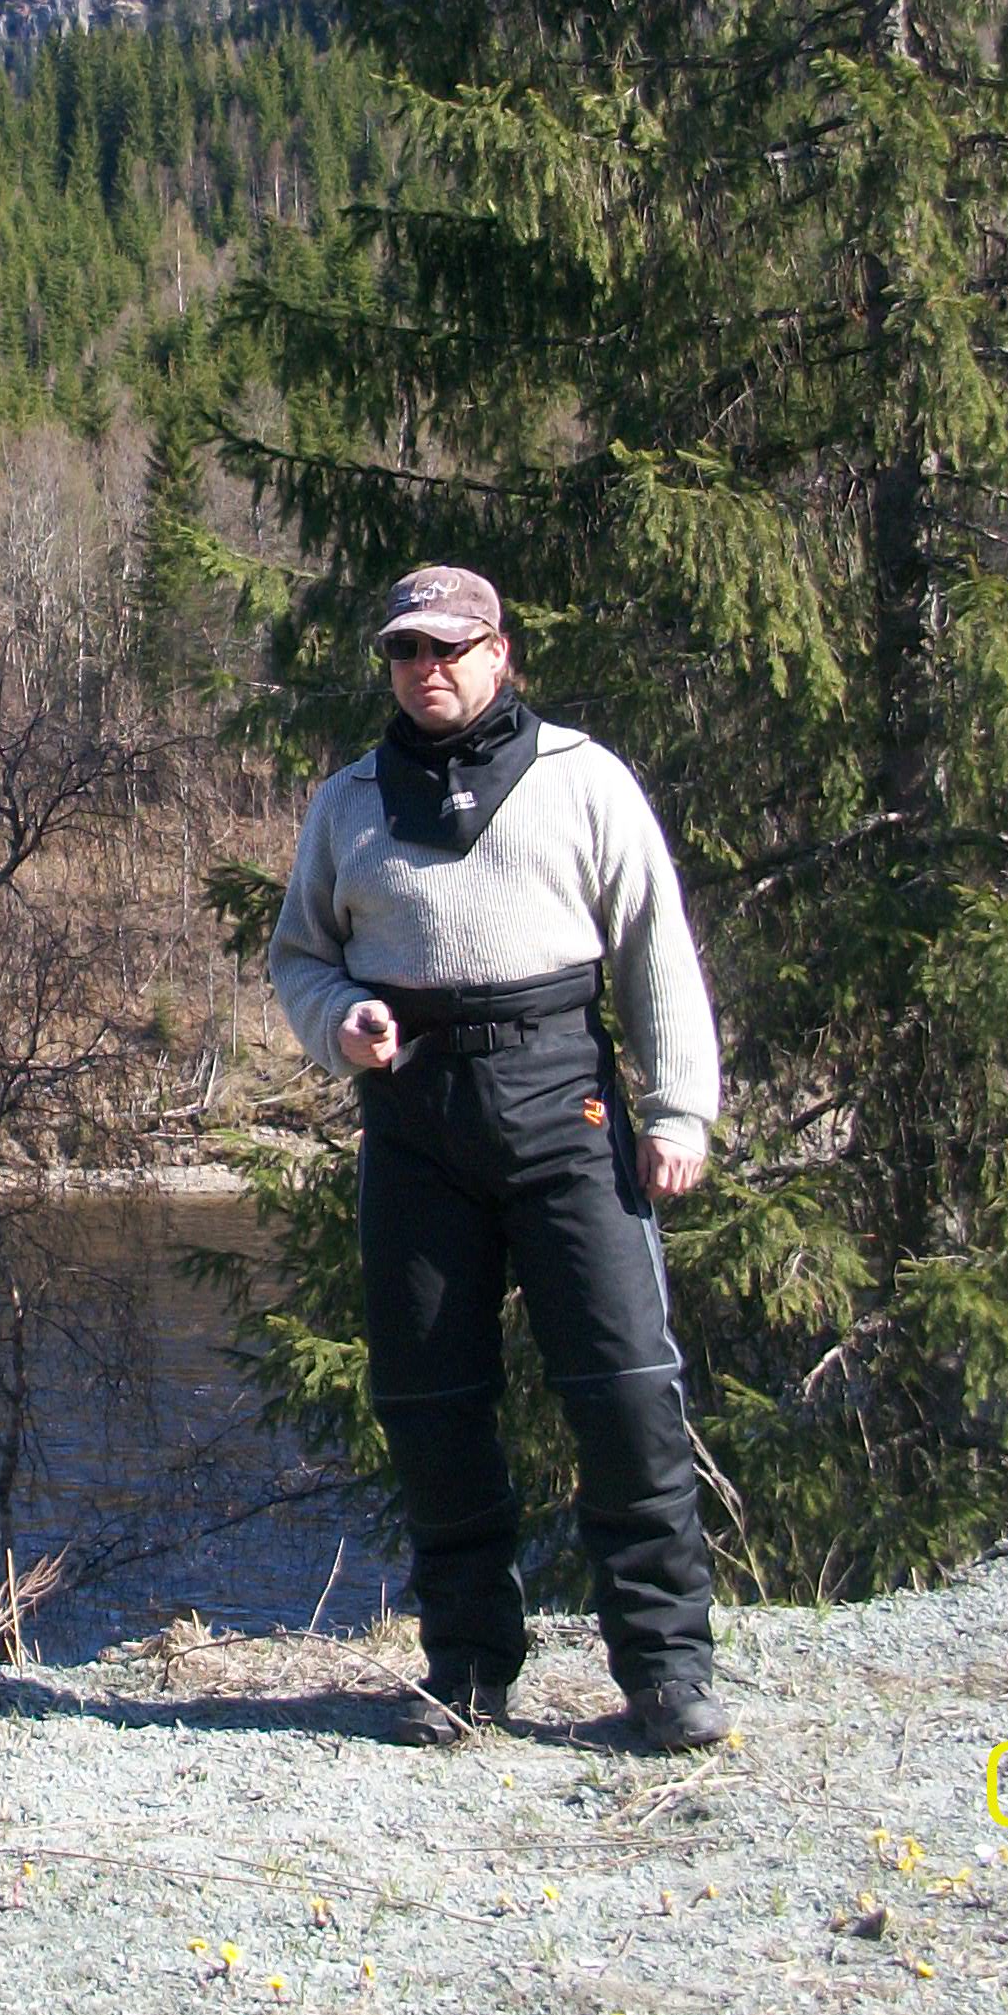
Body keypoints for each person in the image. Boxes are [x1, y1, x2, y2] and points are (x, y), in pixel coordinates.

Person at [267, 564, 734, 1752]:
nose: (425, 668)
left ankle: (666, 1676)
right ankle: (467, 1671)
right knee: (433, 1408)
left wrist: (679, 1113)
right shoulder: (348, 802)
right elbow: (300, 957)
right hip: (413, 1120)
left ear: (499, 654)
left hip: (562, 1102)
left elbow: (654, 945)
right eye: (404, 651)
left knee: (625, 1393)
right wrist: (340, 1022)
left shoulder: (583, 778)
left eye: (449, 648)